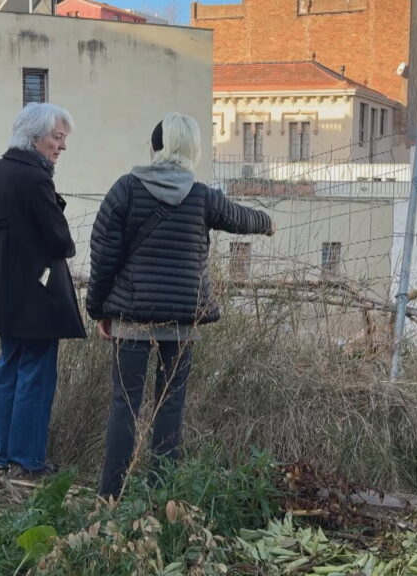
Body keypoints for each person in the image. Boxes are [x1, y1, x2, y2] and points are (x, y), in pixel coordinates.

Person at [86, 112, 274, 498]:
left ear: (155, 148)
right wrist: (266, 221)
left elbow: (103, 256)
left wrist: (97, 309)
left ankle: (110, 497)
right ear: (192, 149)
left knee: (125, 405)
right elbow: (240, 218)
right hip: (181, 322)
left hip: (130, 319)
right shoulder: (201, 196)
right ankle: (162, 495)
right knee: (169, 406)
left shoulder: (125, 190)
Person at [0, 103, 86, 479]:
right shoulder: (35, 179)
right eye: (58, 137)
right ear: (35, 138)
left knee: (9, 371)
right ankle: (27, 462)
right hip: (36, 301)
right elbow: (61, 241)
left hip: (4, 298)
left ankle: (4, 458)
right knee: (36, 375)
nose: (62, 146)